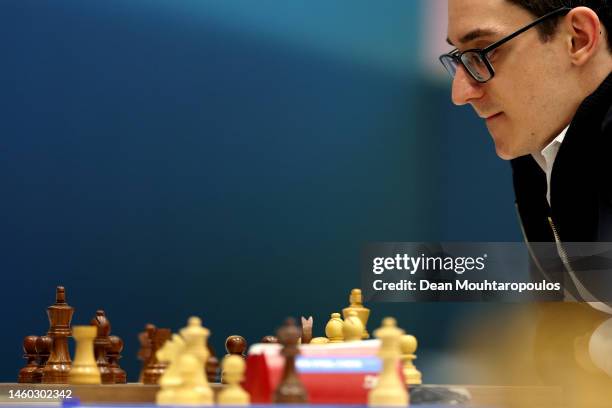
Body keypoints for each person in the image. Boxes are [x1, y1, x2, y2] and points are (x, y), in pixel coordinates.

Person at [440, 1, 612, 402]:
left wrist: (584, 348)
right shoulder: (541, 157)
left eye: (484, 51)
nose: (460, 92)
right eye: (458, 59)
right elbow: (553, 347)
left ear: (578, 38)